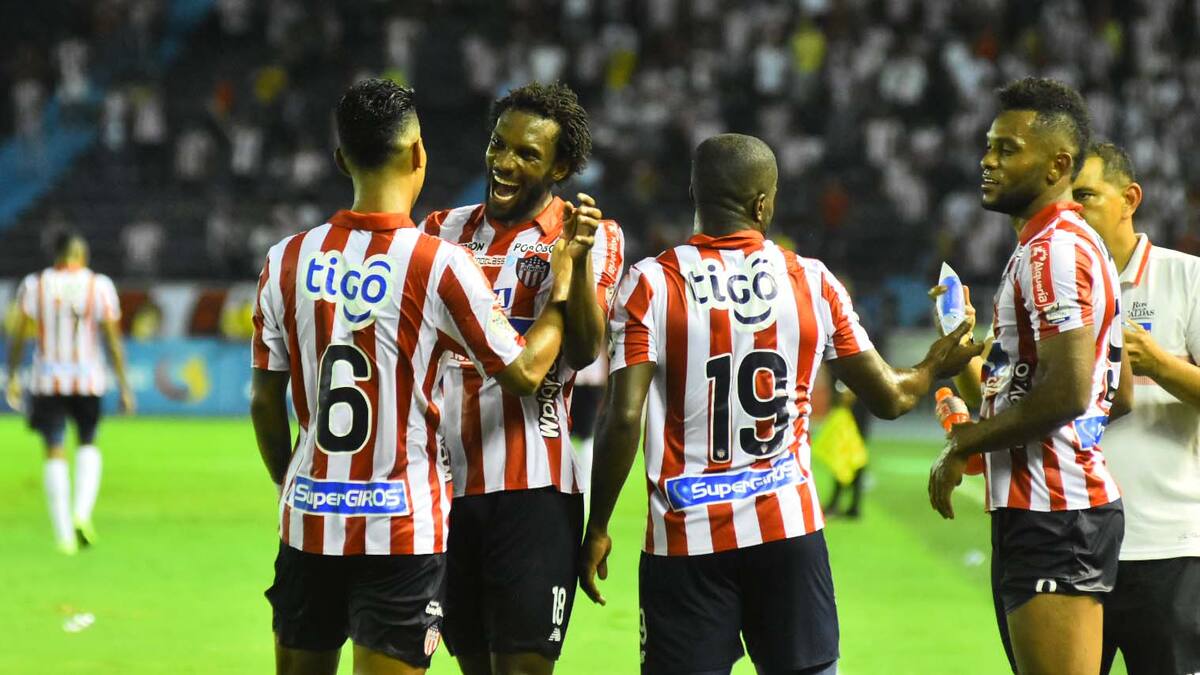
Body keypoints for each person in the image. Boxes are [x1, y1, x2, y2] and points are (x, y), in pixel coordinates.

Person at [579, 133, 982, 675]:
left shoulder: (651, 283)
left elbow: (623, 416)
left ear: (695, 193)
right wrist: (935, 363)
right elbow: (891, 396)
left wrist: (598, 526)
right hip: (787, 530)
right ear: (762, 204)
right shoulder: (812, 281)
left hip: (686, 538)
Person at [249, 79, 589, 675]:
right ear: (418, 154)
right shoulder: (438, 261)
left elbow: (263, 403)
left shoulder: (286, 260)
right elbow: (525, 372)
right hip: (402, 524)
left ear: (340, 160)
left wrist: (292, 483)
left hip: (309, 517)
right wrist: (561, 289)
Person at [927, 78, 1133, 675]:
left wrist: (963, 445)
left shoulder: (1054, 253)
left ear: (1057, 165)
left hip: (1055, 515)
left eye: (1007, 149)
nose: (987, 161)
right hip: (1049, 511)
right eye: (989, 146)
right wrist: (967, 354)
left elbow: (1068, 393)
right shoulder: (1059, 245)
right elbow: (1113, 394)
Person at [420, 82, 623, 675]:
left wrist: (574, 269)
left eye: (527, 154)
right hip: (443, 490)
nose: (504, 163)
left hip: (535, 492)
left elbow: (583, 351)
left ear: (559, 167)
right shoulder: (439, 229)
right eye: (498, 144)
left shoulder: (589, 235)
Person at [1071, 142, 1200, 675]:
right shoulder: (1058, 288)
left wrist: (1158, 363)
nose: (1073, 210)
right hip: (1074, 545)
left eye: (1086, 196)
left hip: (1168, 548)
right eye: (1065, 199)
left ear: (1129, 199)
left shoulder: (1186, 277)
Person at [5, 232, 135, 555]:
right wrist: (124, 384)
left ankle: (64, 535)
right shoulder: (99, 285)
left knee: (54, 449)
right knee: (88, 442)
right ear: (81, 253)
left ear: (56, 254)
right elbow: (112, 338)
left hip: (48, 379)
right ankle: (82, 513)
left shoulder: (35, 284)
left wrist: (13, 375)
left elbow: (19, 334)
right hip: (88, 378)